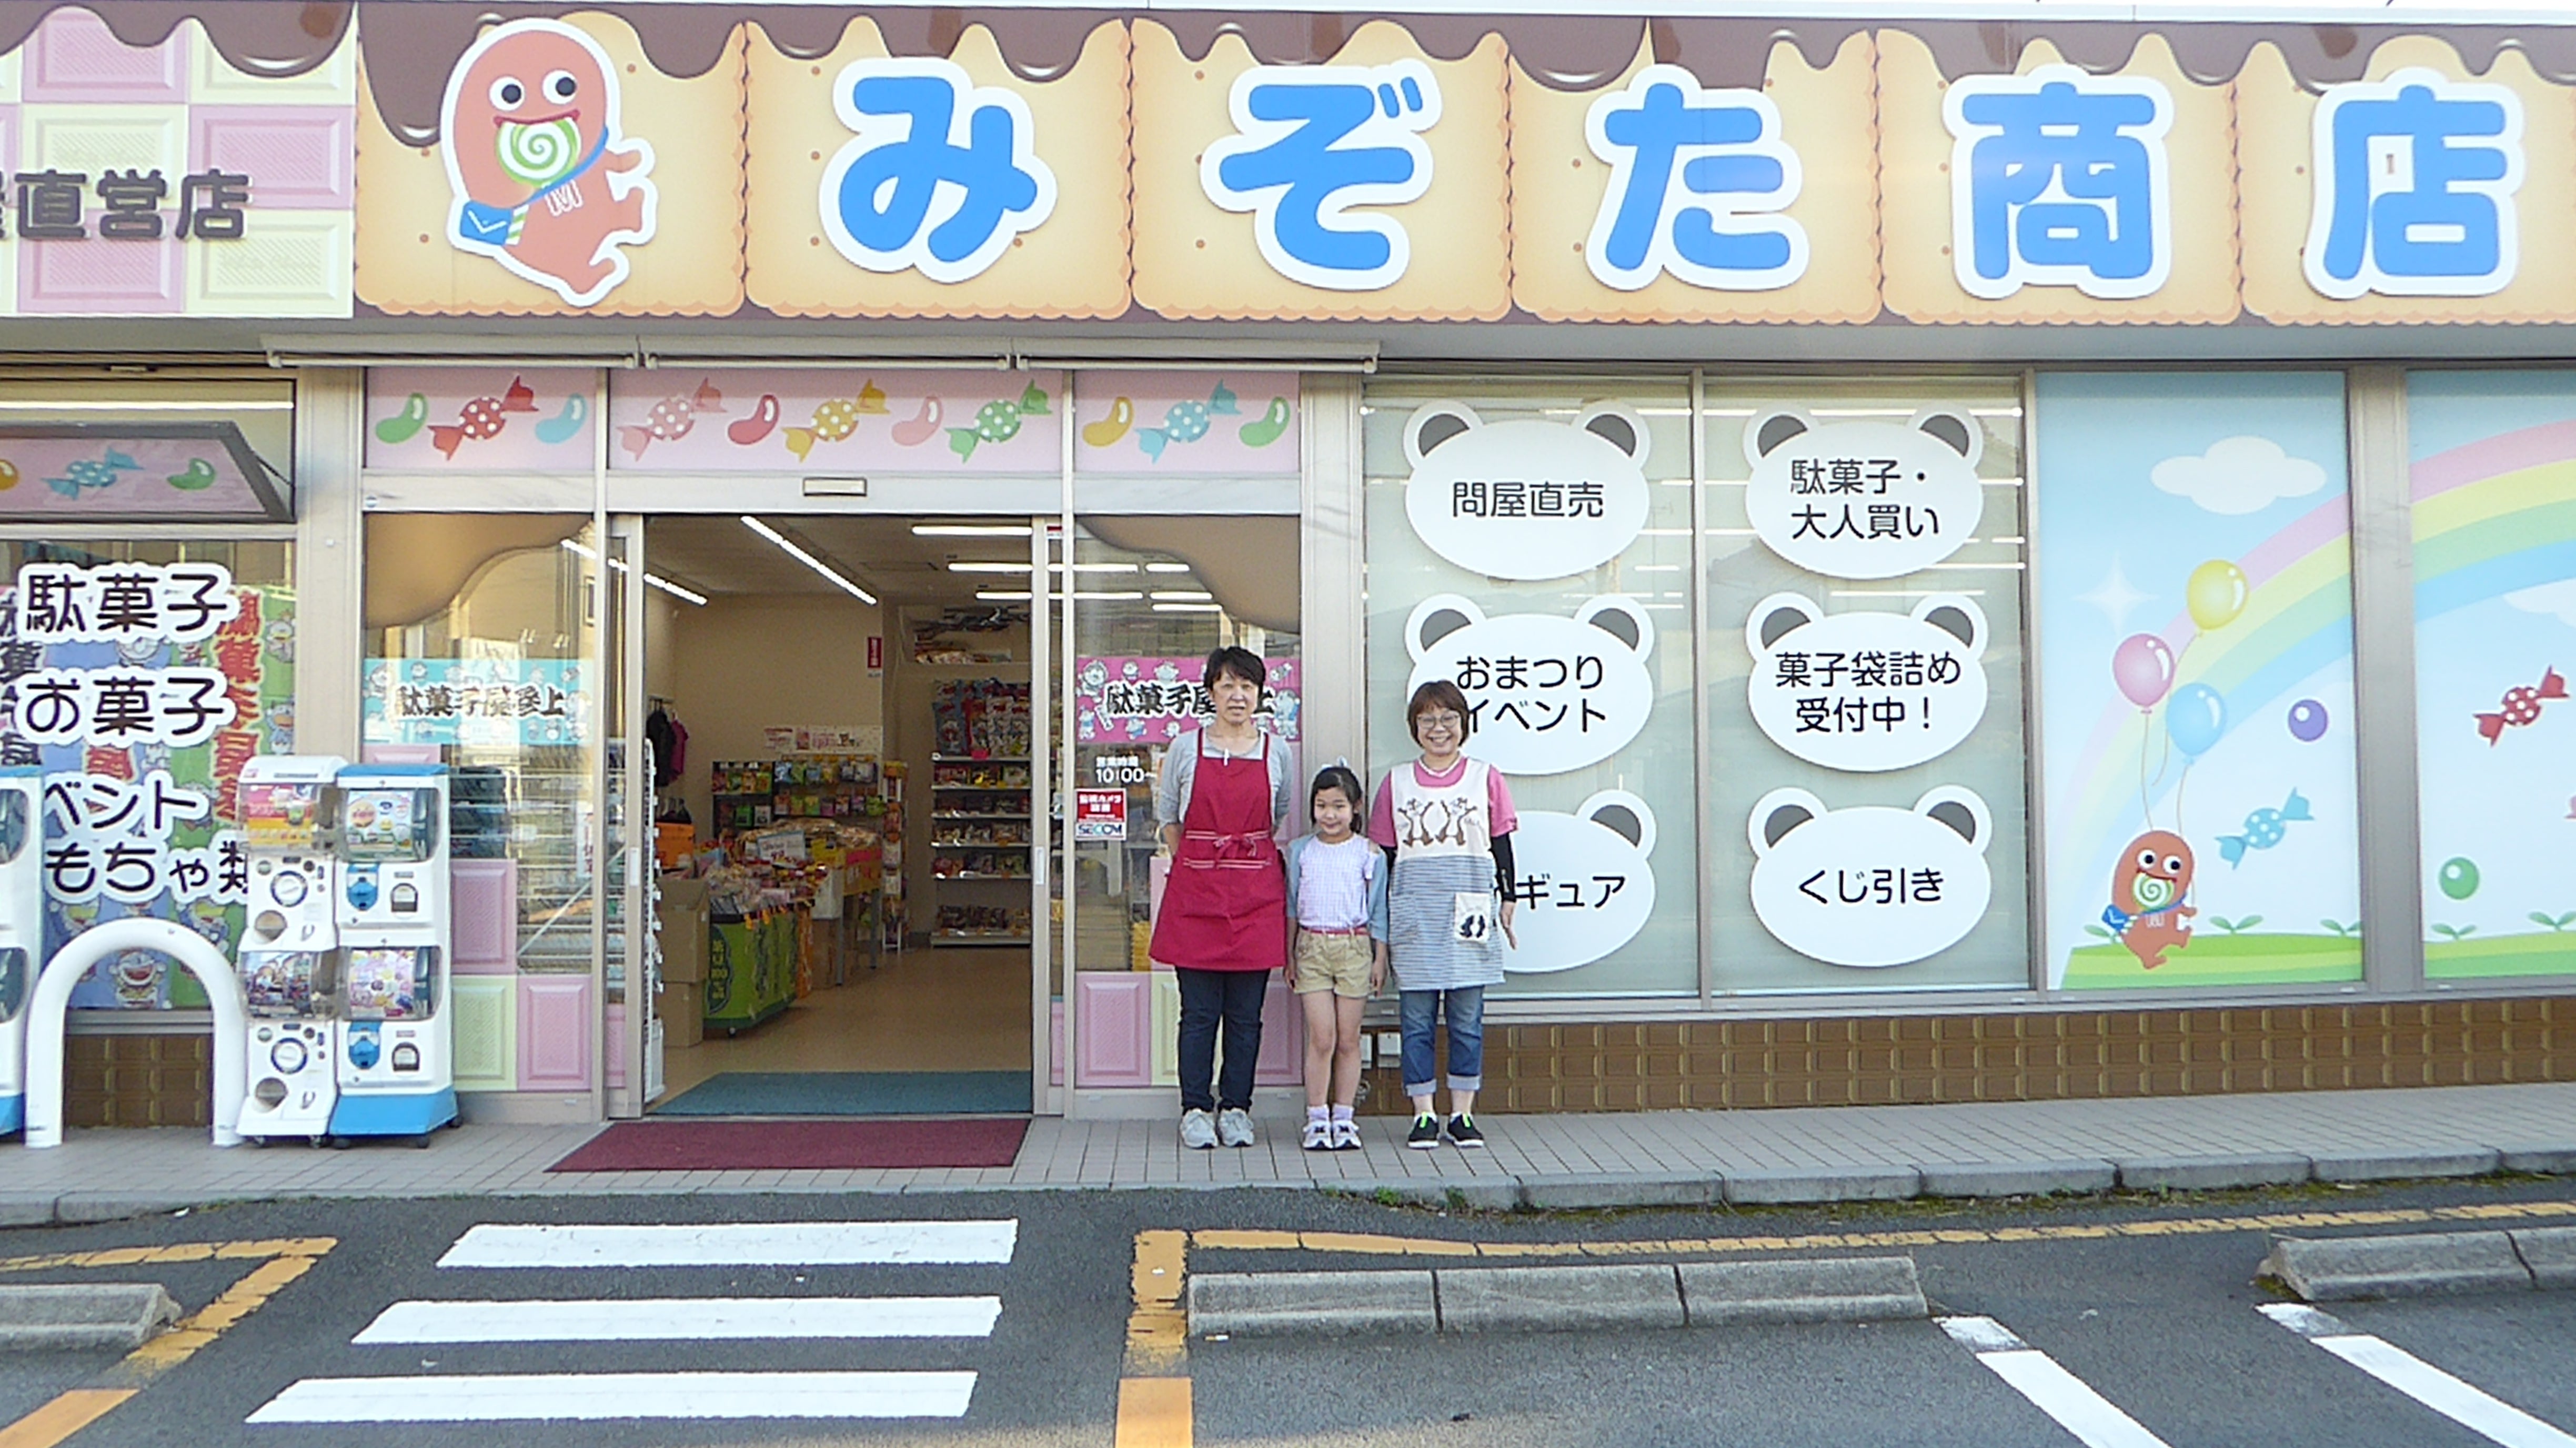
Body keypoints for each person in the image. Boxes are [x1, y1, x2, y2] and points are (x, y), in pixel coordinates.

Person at [1150, 645, 1294, 1150]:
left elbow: (1276, 814)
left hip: (1255, 893)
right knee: (1198, 1013)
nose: (1238, 695)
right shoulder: (1186, 748)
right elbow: (1168, 814)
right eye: (1228, 685)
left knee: (1245, 1015)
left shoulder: (1277, 751)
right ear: (1210, 690)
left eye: (1248, 686)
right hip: (1198, 896)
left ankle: (1236, 1108)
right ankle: (1194, 1108)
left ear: (1259, 694)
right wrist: (1196, 860)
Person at [1370, 680, 1516, 1150]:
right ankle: (1424, 1113)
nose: (1439, 729)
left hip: (1469, 909)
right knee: (1415, 1021)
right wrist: (1380, 929)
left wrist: (1509, 899)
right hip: (1414, 910)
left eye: (1448, 719)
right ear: (1414, 727)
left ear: (1464, 724)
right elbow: (1383, 858)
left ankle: (1463, 1114)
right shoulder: (1396, 782)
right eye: (1428, 720)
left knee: (1467, 1020)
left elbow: (1501, 842)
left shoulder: (1485, 776)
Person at [1282, 764, 1387, 1151]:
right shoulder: (1299, 852)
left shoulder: (1370, 853)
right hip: (1311, 946)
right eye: (1322, 805)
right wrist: (1289, 954)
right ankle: (1316, 1117)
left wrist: (1380, 958)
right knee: (1322, 1038)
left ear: (1356, 808)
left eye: (1339, 806)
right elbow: (1292, 906)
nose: (1330, 815)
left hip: (1355, 948)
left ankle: (1344, 1117)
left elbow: (1378, 911)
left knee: (1348, 1039)